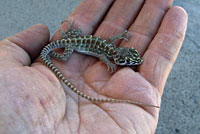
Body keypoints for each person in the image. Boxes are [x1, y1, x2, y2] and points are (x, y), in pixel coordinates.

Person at [0, 0, 188, 133]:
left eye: (133, 60)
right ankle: (53, 55)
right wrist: (106, 60)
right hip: (72, 44)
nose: (135, 62)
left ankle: (59, 46)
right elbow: (101, 53)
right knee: (64, 59)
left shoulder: (112, 49)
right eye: (131, 61)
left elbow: (110, 42)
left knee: (77, 42)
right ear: (121, 60)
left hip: (73, 39)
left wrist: (121, 36)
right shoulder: (110, 54)